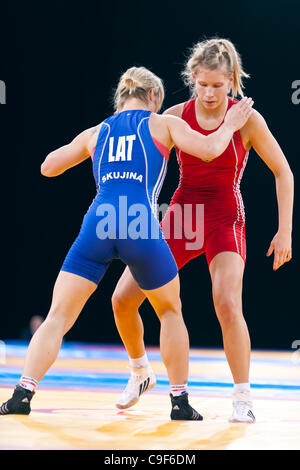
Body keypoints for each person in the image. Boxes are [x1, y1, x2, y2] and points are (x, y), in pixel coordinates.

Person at [0, 66, 253, 419]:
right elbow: (210, 149)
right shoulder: (161, 123)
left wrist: (91, 150)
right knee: (169, 311)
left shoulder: (98, 131)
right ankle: (179, 402)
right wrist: (231, 122)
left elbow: (47, 167)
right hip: (138, 224)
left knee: (58, 314)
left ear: (120, 97)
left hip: (100, 222)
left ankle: (21, 395)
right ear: (153, 98)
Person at [111, 39, 294, 423]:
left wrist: (285, 231)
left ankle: (243, 396)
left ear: (231, 80)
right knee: (123, 298)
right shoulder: (177, 114)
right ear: (192, 78)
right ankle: (140, 372)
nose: (210, 94)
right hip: (182, 214)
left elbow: (284, 172)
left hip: (224, 217)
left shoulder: (248, 119)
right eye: (203, 85)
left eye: (218, 85)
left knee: (227, 302)